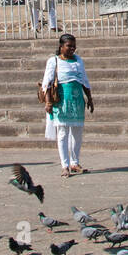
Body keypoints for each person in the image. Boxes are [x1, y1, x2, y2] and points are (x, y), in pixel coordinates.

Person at [42, 33, 93, 177]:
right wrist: (48, 102)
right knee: (63, 133)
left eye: (74, 46)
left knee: (77, 133)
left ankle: (75, 162)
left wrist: (89, 98)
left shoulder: (78, 61)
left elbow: (84, 80)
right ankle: (65, 165)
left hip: (77, 100)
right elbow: (47, 83)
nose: (72, 49)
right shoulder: (54, 61)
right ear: (61, 46)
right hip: (61, 100)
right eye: (68, 46)